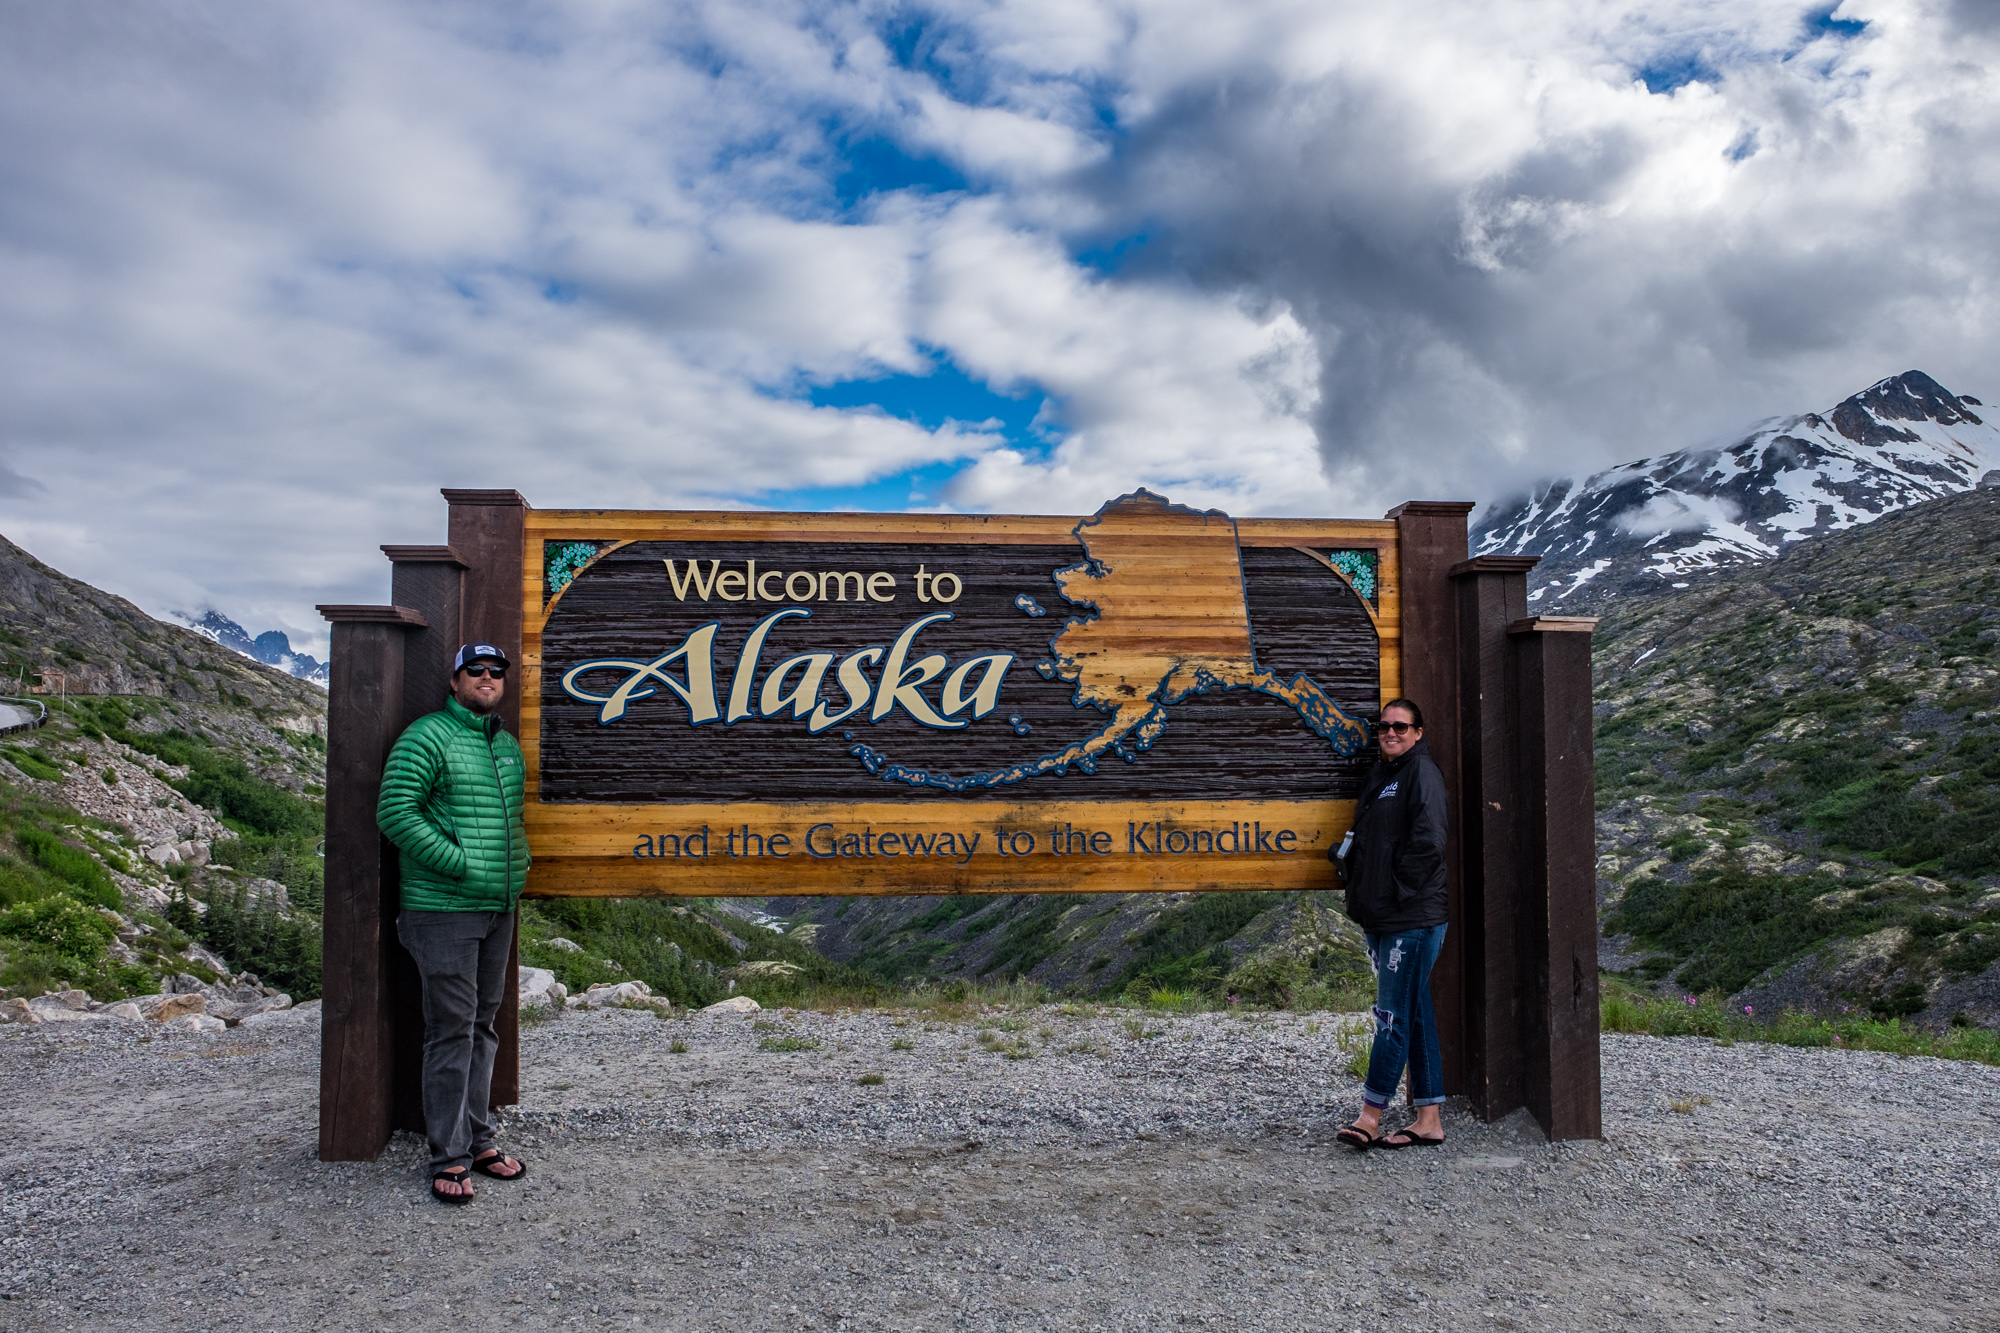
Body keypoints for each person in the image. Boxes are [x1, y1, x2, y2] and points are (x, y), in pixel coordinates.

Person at [377, 642, 531, 1204]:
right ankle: (449, 1154)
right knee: (450, 1028)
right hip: (442, 909)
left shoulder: (504, 745)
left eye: (496, 672)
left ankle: (479, 1138)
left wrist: (515, 870)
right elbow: (396, 813)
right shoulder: (427, 736)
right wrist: (461, 864)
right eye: (477, 670)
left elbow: (509, 820)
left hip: (497, 907)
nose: (487, 678)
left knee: (482, 1025)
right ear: (456, 679)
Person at [1333, 697, 1449, 1150]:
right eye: (1384, 727)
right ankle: (1429, 1120)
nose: (1391, 733)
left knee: (1390, 1018)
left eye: (1401, 727)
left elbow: (1429, 843)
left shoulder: (1422, 774)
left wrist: (1393, 892)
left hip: (1411, 919)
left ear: (1418, 732)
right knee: (1415, 1015)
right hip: (1383, 916)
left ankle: (1369, 1116)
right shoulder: (1383, 775)